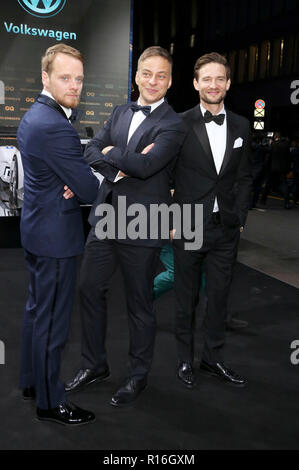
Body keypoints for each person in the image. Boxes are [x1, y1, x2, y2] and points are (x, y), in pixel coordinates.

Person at [65, 46, 186, 406]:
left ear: (169, 80)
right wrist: (120, 159)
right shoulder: (119, 111)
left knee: (139, 303)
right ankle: (94, 364)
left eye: (161, 75)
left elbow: (147, 168)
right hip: (106, 216)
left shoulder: (173, 123)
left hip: (145, 222)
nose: (153, 81)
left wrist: (111, 155)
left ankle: (137, 375)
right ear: (136, 75)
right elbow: (91, 149)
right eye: (147, 73)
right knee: (88, 289)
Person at [18, 43, 99, 425]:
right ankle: (51, 402)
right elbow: (89, 190)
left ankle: (32, 381)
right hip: (56, 238)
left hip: (37, 229)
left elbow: (69, 177)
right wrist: (83, 176)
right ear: (46, 77)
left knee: (37, 312)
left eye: (79, 78)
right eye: (65, 77)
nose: (75, 85)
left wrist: (71, 175)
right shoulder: (55, 126)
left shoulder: (35, 115)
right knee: (53, 322)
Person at [173, 52, 252, 388]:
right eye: (207, 78)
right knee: (186, 298)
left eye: (220, 78)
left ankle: (212, 359)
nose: (213, 84)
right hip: (188, 222)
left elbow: (245, 176)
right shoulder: (178, 123)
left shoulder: (242, 126)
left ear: (228, 83)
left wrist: (241, 216)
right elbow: (165, 175)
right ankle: (184, 361)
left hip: (226, 228)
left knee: (219, 298)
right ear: (195, 83)